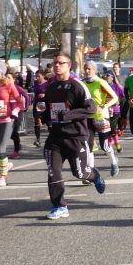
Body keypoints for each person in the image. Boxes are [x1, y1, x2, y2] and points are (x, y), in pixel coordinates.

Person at [36, 51, 105, 220]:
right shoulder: (51, 87)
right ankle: (60, 206)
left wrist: (68, 116)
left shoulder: (77, 86)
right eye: (55, 63)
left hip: (76, 136)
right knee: (53, 171)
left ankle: (95, 175)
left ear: (69, 66)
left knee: (80, 174)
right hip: (55, 137)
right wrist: (43, 117)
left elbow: (91, 109)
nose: (57, 66)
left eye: (61, 63)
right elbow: (51, 109)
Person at [84, 61, 120, 177]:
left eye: (89, 69)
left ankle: (114, 162)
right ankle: (91, 171)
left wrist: (103, 106)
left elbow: (114, 98)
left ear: (95, 71)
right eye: (85, 69)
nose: (87, 71)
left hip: (101, 117)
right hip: (88, 117)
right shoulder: (82, 83)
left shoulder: (100, 82)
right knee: (88, 145)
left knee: (104, 145)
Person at [5, 71, 30, 159]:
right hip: (7, 113)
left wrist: (26, 106)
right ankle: (18, 144)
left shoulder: (18, 88)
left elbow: (26, 96)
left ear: (14, 79)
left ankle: (16, 151)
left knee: (15, 131)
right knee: (9, 133)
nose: (7, 79)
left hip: (17, 112)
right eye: (6, 77)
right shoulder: (4, 88)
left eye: (9, 78)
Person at [103, 71, 125, 153]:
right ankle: (110, 147)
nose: (105, 77)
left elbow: (124, 96)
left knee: (112, 129)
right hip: (105, 110)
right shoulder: (102, 86)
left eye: (107, 75)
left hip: (115, 110)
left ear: (112, 77)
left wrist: (118, 101)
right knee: (107, 130)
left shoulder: (117, 86)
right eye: (104, 75)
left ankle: (116, 143)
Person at [32, 69, 48, 147]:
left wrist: (45, 95)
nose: (37, 78)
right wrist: (34, 99)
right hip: (37, 104)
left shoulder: (47, 83)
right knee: (36, 121)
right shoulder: (35, 83)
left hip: (45, 103)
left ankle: (52, 138)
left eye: (39, 76)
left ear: (43, 76)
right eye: (36, 76)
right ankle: (38, 139)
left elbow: (50, 92)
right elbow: (35, 92)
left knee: (49, 122)